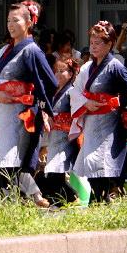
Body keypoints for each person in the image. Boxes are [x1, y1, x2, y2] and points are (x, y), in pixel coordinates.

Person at [0, 0, 57, 206]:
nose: (10, 25)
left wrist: (39, 106)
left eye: (16, 20)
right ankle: (0, 201)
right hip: (3, 109)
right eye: (8, 20)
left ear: (29, 22)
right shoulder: (7, 49)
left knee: (11, 157)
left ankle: (12, 202)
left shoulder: (31, 50)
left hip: (19, 111)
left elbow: (50, 82)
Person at [69, 21, 127, 202]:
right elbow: (75, 91)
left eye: (98, 43)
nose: (93, 46)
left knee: (101, 161)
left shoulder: (116, 66)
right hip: (92, 120)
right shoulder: (86, 67)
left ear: (109, 45)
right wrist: (86, 102)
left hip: (110, 121)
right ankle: (99, 198)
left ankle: (101, 198)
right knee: (90, 161)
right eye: (91, 42)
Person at [42, 56, 80, 204]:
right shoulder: (52, 91)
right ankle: (65, 199)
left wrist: (57, 119)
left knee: (55, 170)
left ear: (70, 74)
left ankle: (71, 198)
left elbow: (77, 115)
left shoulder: (72, 92)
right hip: (54, 136)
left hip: (65, 136)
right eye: (56, 71)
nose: (57, 74)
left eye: (62, 71)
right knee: (54, 172)